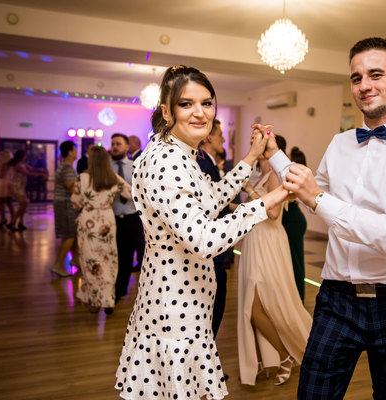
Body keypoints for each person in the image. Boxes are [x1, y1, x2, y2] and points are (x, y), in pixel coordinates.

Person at [262, 37, 386, 399]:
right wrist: (275, 156)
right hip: (337, 300)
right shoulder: (339, 144)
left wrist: (318, 199)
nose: (364, 85)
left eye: (375, 75)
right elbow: (311, 195)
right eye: (356, 78)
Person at [114, 65, 288, 400]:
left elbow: (211, 199)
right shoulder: (166, 160)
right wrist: (267, 201)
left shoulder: (181, 153)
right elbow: (205, 239)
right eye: (186, 104)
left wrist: (252, 156)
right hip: (175, 306)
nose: (200, 112)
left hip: (188, 300)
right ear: (167, 111)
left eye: (207, 103)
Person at [237, 155, 313, 387]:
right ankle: (265, 359)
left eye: (257, 140)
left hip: (268, 244)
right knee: (256, 306)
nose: (253, 142)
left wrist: (249, 190)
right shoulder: (259, 175)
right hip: (255, 242)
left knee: (255, 309)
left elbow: (273, 213)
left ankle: (284, 355)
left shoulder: (274, 176)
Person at [71, 146, 131, 314]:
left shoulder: (82, 178)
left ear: (90, 160)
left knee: (90, 261)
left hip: (89, 222)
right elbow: (130, 193)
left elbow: (75, 203)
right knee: (108, 260)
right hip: (107, 221)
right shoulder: (113, 178)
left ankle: (94, 300)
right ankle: (107, 298)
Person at [196, 119, 233, 338]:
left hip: (213, 253)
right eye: (220, 134)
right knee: (212, 313)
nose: (224, 140)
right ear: (209, 137)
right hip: (211, 253)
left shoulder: (206, 162)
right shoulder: (204, 164)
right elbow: (210, 206)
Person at [109, 133, 145, 302]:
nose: (115, 147)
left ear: (127, 147)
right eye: (113, 144)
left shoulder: (135, 166)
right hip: (111, 217)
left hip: (131, 217)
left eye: (118, 144)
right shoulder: (106, 168)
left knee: (127, 255)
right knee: (112, 255)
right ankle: (110, 289)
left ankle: (120, 290)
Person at [281, 146, 308, 301]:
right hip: (289, 216)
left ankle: (298, 299)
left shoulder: (294, 177)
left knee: (295, 262)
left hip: (293, 219)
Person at [51, 141, 79, 277]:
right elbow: (71, 188)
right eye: (75, 150)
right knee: (70, 235)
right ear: (70, 152)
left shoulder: (64, 166)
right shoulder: (67, 167)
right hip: (66, 204)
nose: (76, 152)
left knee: (73, 233)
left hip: (63, 203)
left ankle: (76, 260)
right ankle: (57, 265)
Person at [7, 150, 48, 231]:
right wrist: (41, 174)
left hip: (21, 187)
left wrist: (40, 169)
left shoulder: (23, 164)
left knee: (24, 204)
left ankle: (20, 223)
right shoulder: (18, 165)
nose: (25, 157)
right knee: (24, 203)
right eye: (25, 155)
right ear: (21, 156)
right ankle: (13, 222)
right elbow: (28, 173)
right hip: (16, 187)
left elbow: (31, 169)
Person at [0, 150, 16, 230]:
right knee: (10, 203)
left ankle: (3, 218)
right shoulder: (12, 165)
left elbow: (0, 175)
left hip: (3, 183)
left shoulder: (3, 165)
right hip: (10, 183)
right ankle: (13, 220)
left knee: (0, 202)